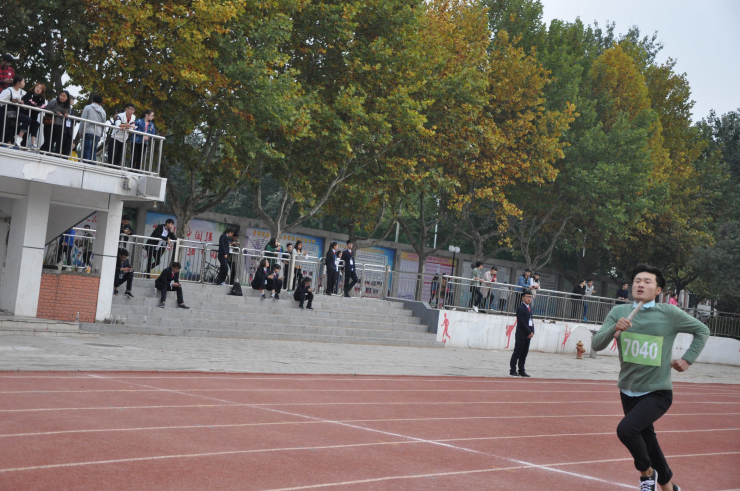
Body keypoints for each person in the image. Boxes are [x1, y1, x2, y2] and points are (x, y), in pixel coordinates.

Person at [593, 264, 708, 491]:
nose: (640, 285)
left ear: (658, 290)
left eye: (647, 282)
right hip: (628, 390)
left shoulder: (669, 313)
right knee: (648, 441)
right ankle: (669, 487)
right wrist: (615, 327)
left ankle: (646, 473)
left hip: (657, 391)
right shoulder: (619, 312)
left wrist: (688, 359)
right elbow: (596, 344)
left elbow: (702, 330)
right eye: (637, 281)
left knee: (626, 430)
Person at [0, 75, 31, 147]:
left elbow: (28, 98)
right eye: (23, 81)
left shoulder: (22, 92)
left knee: (27, 119)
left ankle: (18, 138)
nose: (24, 83)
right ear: (18, 82)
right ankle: (4, 142)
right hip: (5, 111)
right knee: (5, 127)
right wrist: (10, 101)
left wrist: (22, 102)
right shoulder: (8, 90)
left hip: (14, 111)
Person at [509, 290, 535, 377]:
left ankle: (521, 370)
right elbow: (521, 322)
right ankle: (512, 370)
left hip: (528, 335)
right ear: (523, 297)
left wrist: (532, 332)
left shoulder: (529, 308)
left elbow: (531, 321)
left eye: (530, 297)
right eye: (527, 297)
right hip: (521, 334)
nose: (529, 298)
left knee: (524, 354)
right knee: (517, 352)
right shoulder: (521, 308)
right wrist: (529, 332)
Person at [80, 94, 106, 162]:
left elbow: (83, 119)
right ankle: (92, 164)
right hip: (97, 132)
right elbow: (103, 124)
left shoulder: (87, 107)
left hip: (88, 130)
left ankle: (85, 164)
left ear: (92, 100)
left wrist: (80, 131)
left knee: (86, 149)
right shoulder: (103, 111)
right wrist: (101, 135)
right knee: (93, 150)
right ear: (100, 102)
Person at [19, 82, 45, 149]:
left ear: (42, 91)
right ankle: (22, 144)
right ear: (34, 88)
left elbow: (42, 108)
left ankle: (33, 143)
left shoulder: (42, 99)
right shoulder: (29, 94)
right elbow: (26, 102)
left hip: (33, 118)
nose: (38, 89)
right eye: (37, 87)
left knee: (36, 124)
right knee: (25, 133)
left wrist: (33, 107)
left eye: (40, 88)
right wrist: (35, 107)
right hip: (25, 116)